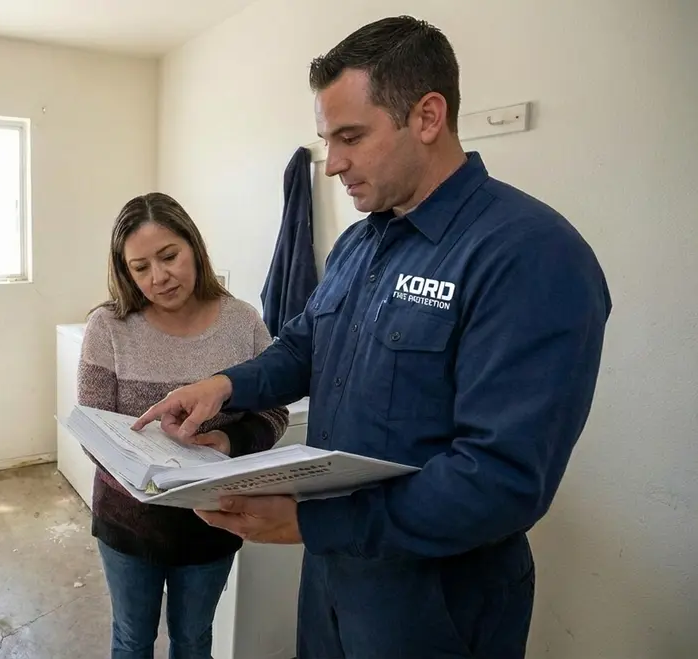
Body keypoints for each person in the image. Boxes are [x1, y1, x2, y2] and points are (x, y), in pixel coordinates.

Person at [133, 16, 611, 659]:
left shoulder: (529, 256)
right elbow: (305, 345)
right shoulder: (362, 241)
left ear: (428, 116)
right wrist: (224, 385)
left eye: (351, 137)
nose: (333, 166)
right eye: (328, 140)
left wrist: (309, 520)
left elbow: (499, 482)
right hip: (336, 577)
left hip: (436, 599)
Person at [78, 192, 289, 659]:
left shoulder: (242, 322)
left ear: (193, 246)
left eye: (169, 256)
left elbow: (274, 411)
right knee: (132, 638)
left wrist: (230, 440)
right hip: (128, 519)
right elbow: (92, 428)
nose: (159, 277)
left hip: (212, 519)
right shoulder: (107, 327)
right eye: (140, 267)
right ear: (125, 271)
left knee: (193, 640)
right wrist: (151, 480)